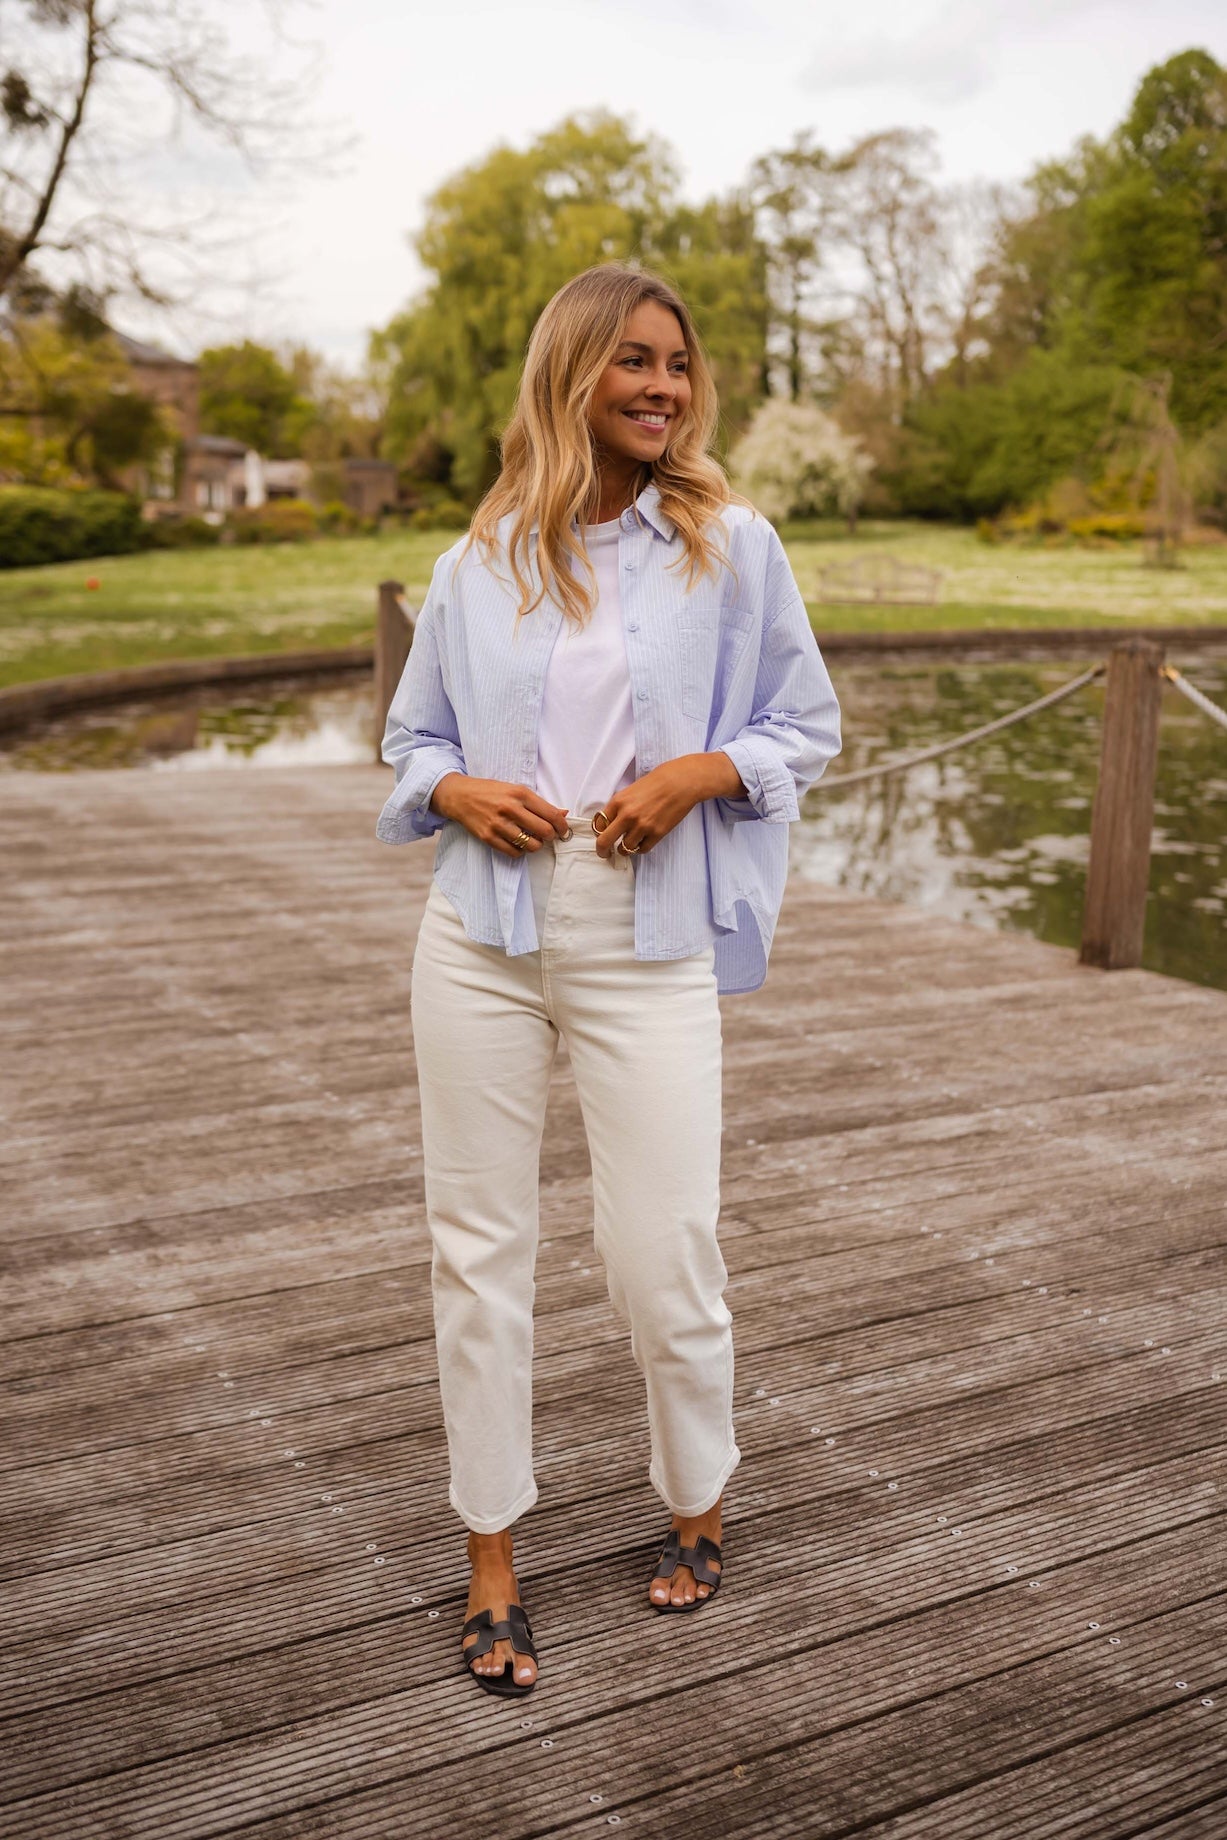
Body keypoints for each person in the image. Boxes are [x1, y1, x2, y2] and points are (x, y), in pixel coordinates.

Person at [376, 262, 841, 1697]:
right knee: (480, 1253)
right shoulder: (479, 562)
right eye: (633, 361)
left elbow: (803, 725)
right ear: (570, 372)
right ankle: (492, 1556)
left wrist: (700, 773)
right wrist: (458, 796)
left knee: (663, 1252)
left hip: (651, 937)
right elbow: (411, 744)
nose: (663, 386)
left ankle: (697, 1497)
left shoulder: (732, 545)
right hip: (484, 938)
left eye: (678, 366)